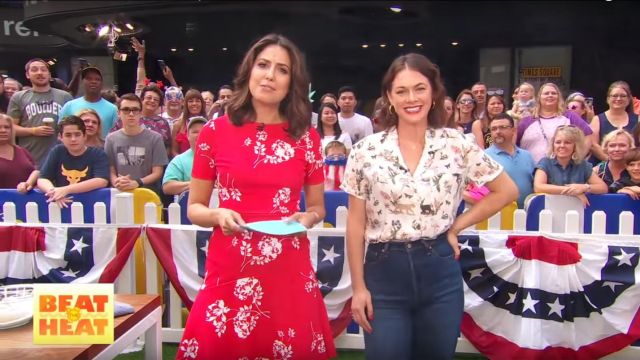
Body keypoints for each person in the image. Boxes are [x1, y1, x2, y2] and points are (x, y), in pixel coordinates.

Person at [342, 53, 517, 359]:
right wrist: (358, 288)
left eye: (420, 88)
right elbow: (355, 224)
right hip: (384, 275)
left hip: (439, 271)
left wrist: (457, 226)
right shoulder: (365, 151)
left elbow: (506, 191)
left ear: (434, 92)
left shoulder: (457, 144)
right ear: (389, 98)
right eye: (401, 91)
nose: (412, 98)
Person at [177, 33, 336, 359]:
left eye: (282, 69)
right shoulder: (214, 132)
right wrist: (218, 215)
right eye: (263, 65)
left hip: (289, 265)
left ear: (292, 81)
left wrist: (307, 218)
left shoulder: (307, 136)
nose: (269, 75)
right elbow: (194, 207)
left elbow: (318, 207)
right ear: (248, 70)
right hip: (230, 265)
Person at [7, 58, 72, 166]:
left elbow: (75, 125)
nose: (39, 73)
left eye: (43, 70)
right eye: (34, 70)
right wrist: (33, 131)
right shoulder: (18, 97)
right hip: (30, 158)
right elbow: (10, 128)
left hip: (61, 157)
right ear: (27, 75)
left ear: (49, 74)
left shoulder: (65, 96)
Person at [34, 116, 109, 208]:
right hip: (62, 206)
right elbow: (42, 179)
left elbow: (101, 181)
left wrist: (66, 190)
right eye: (68, 135)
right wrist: (54, 192)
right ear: (60, 137)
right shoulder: (57, 151)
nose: (73, 139)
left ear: (84, 136)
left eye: (77, 134)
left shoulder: (98, 154)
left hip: (93, 206)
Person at [105, 93, 168, 195]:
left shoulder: (155, 138)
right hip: (119, 194)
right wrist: (117, 182)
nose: (131, 114)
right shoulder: (111, 139)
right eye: (126, 110)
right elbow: (110, 169)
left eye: (135, 110)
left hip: (147, 195)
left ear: (140, 113)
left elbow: (158, 172)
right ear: (119, 113)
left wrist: (137, 183)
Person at [516, 82, 593, 164]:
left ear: (559, 97)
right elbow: (514, 144)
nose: (550, 95)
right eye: (546, 93)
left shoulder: (570, 116)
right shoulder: (526, 121)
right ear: (539, 97)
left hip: (562, 170)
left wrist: (578, 158)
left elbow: (588, 135)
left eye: (553, 93)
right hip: (530, 170)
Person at [533, 125, 607, 207]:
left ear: (575, 146)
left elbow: (603, 188)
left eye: (567, 142)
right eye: (558, 142)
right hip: (549, 210)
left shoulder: (583, 165)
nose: (562, 146)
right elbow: (539, 187)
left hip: (575, 212)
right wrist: (573, 192)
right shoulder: (545, 163)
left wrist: (584, 187)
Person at [485, 113, 535, 207]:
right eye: (494, 129)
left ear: (513, 130)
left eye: (503, 127)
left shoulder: (527, 156)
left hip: (526, 214)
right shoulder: (484, 157)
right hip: (498, 215)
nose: (498, 131)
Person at [58, 66, 118, 138]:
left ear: (102, 84)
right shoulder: (69, 106)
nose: (93, 81)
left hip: (102, 148)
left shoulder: (112, 109)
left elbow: (116, 134)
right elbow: (60, 132)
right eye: (89, 79)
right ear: (82, 82)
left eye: (97, 79)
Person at [589, 81, 638, 163]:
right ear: (608, 99)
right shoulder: (597, 119)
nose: (618, 99)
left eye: (622, 96)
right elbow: (593, 145)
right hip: (603, 166)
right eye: (615, 96)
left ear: (629, 99)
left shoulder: (638, 119)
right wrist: (611, 162)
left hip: (632, 167)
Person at [162, 116, 206, 196]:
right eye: (195, 132)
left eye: (203, 131)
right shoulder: (179, 160)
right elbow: (167, 186)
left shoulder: (220, 157)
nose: (199, 135)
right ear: (188, 136)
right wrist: (195, 184)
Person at [0, 114, 38, 190]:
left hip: (28, 200)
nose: (3, 130)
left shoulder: (22, 151)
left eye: (7, 127)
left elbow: (37, 172)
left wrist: (28, 182)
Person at [171, 89, 207, 157]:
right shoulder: (178, 125)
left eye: (197, 101)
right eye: (190, 101)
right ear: (185, 104)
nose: (194, 104)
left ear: (202, 104)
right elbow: (174, 151)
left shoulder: (209, 123)